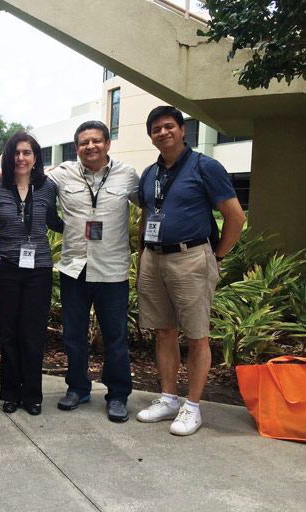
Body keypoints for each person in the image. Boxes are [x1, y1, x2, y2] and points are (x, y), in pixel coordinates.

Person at [136, 106, 245, 435]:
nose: (163, 132)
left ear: (183, 130)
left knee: (197, 335)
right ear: (151, 136)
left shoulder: (205, 166)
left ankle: (193, 407)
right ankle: (168, 398)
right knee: (164, 331)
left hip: (191, 256)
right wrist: (142, 254)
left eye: (169, 126)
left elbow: (236, 217)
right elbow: (146, 216)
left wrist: (218, 256)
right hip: (154, 258)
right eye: (156, 128)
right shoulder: (150, 174)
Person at [48, 120, 139, 422]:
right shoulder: (62, 174)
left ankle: (117, 395)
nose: (91, 146)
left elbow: (154, 205)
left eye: (96, 141)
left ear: (108, 143)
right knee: (73, 335)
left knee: (116, 337)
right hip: (74, 268)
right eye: (84, 142)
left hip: (112, 270)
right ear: (77, 148)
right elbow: (26, 179)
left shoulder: (127, 175)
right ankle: (77, 387)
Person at [0, 132, 63, 415]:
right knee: (8, 334)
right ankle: (9, 393)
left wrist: (87, 226)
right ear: (9, 157)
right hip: (5, 267)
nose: (21, 158)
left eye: (27, 152)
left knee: (33, 334)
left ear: (35, 157)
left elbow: (54, 221)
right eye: (16, 153)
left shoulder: (47, 188)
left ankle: (32, 395)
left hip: (39, 269)